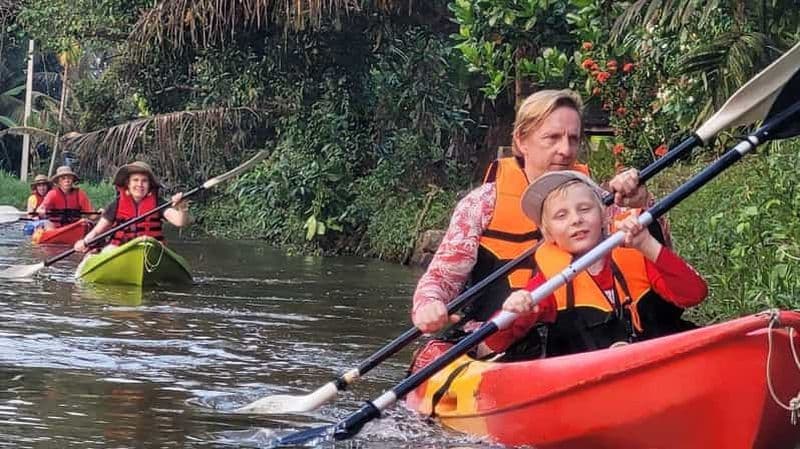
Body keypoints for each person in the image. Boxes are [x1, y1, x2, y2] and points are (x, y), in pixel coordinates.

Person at [411, 89, 669, 337]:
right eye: (552, 138)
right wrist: (429, 304)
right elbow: (441, 278)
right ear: (522, 141)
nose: (566, 150)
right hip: (500, 343)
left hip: (584, 340)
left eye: (573, 139)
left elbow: (661, 260)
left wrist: (641, 205)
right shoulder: (482, 204)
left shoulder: (599, 201)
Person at [483, 171, 706, 357]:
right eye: (561, 215)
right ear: (548, 233)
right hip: (593, 383)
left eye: (584, 209)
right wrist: (513, 308)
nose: (575, 219)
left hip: (659, 362)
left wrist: (649, 246)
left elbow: (694, 294)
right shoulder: (548, 284)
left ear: (603, 216)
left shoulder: (636, 255)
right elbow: (495, 342)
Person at [73, 161, 189, 254]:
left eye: (144, 181)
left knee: (152, 247)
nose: (139, 184)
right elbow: (98, 230)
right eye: (135, 180)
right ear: (128, 184)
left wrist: (182, 208)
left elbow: (180, 222)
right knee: (108, 250)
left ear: (149, 185)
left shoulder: (158, 203)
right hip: (121, 249)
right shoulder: (116, 205)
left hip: (150, 249)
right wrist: (84, 241)